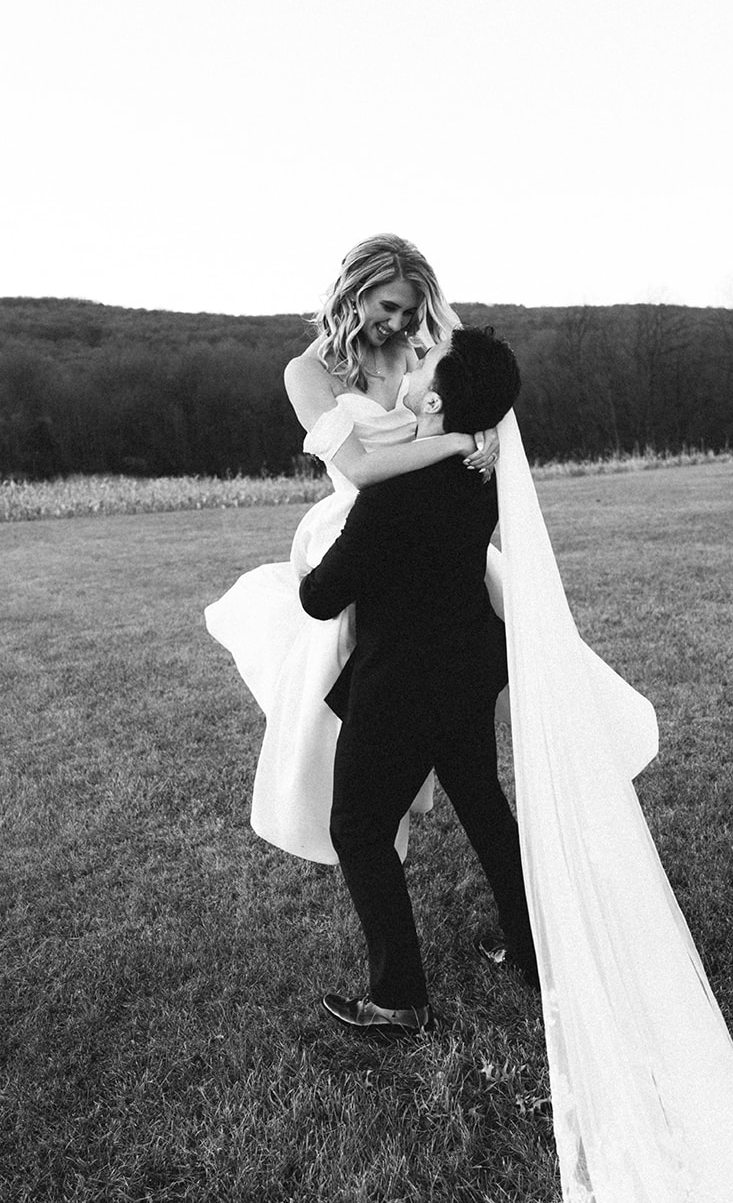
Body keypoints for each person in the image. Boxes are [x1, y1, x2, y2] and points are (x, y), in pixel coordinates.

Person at [204, 234, 499, 864]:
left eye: (409, 311)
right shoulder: (308, 373)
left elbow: (474, 389)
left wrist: (490, 432)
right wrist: (453, 444)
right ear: (354, 292)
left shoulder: (420, 348)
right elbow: (361, 467)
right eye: (387, 306)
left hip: (437, 534)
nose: (397, 324)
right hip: (363, 529)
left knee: (458, 691)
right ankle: (359, 819)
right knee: (369, 697)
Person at [298, 327, 536, 1031]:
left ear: (432, 398)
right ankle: (529, 948)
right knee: (483, 805)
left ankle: (397, 998)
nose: (412, 362)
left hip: (400, 682)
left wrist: (309, 555)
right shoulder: (481, 476)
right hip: (466, 668)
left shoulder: (394, 492)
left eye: (426, 361)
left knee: (359, 828)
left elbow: (320, 598)